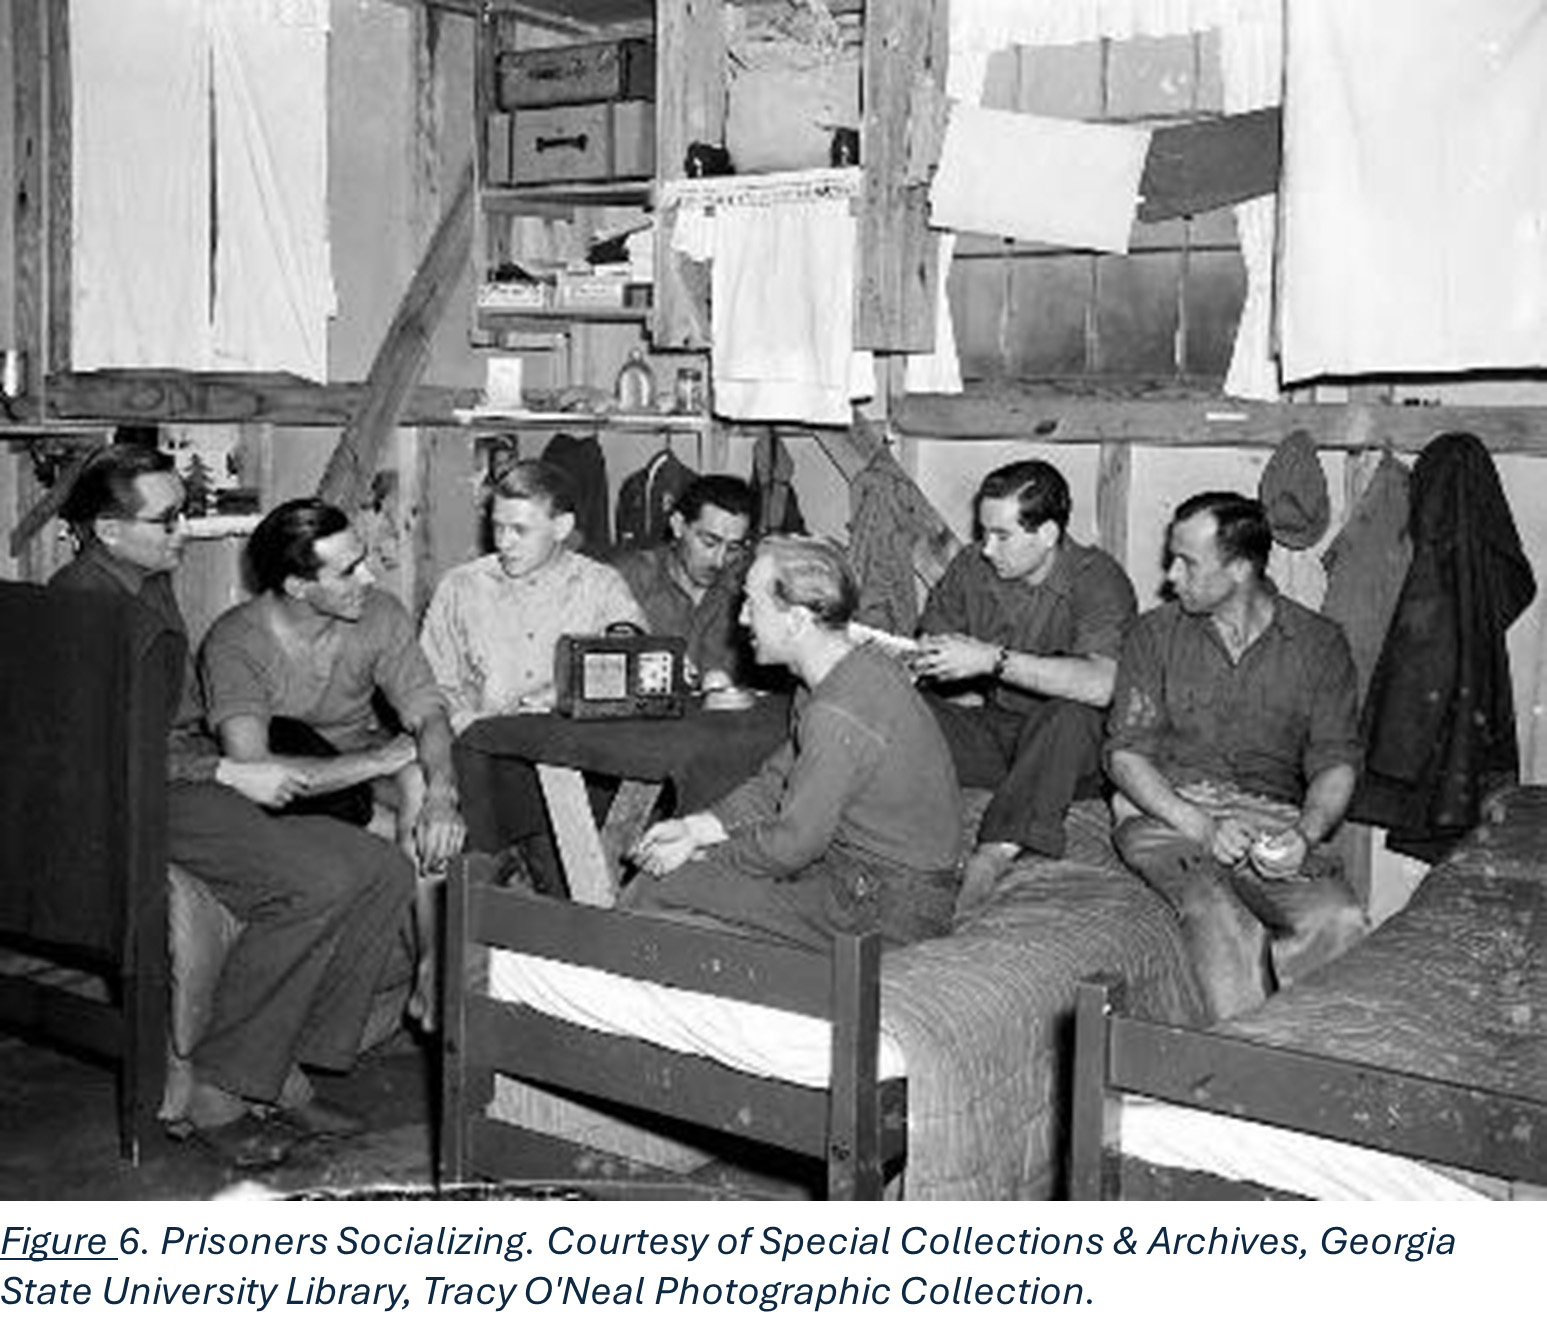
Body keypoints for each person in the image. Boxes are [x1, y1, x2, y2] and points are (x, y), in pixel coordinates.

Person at [51, 446, 412, 1170]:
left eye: (181, 512)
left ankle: (278, 1064)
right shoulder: (87, 605)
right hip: (135, 793)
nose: (182, 531)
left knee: (379, 867)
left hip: (175, 773)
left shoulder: (144, 580)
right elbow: (101, 751)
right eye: (166, 519)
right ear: (109, 529)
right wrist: (224, 769)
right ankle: (219, 1087)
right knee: (313, 883)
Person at [199, 498, 466, 1031]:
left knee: (421, 783)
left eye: (362, 559)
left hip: (353, 771)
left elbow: (429, 715)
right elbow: (254, 769)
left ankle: (434, 967)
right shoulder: (235, 640)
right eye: (347, 571)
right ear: (299, 587)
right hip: (284, 786)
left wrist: (442, 795)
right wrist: (380, 760)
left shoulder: (379, 613)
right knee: (395, 810)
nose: (368, 576)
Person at [625, 536, 963, 953]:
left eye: (753, 603)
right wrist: (694, 829)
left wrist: (703, 857)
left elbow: (792, 844)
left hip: (887, 905)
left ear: (797, 620)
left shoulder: (836, 710)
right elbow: (777, 782)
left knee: (662, 886)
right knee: (675, 886)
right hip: (865, 879)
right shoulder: (845, 670)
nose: (743, 618)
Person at [1105, 491, 1368, 1023]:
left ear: (1241, 569)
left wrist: (1306, 833)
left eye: (1188, 562)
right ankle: (1242, 1074)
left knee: (1338, 919)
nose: (1171, 577)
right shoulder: (1153, 636)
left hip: (1271, 820)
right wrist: (1202, 827)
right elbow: (1126, 755)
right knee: (1218, 910)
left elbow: (1336, 760)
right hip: (1169, 814)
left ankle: (1309, 1067)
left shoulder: (1318, 645)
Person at [914, 460, 1137, 906]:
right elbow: (929, 640)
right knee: (896, 704)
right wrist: (911, 660)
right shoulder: (972, 567)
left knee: (1070, 714)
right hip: (999, 734)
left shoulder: (1098, 579)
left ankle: (991, 855)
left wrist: (989, 660)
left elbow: (1103, 685)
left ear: (1049, 535)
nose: (986, 549)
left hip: (1069, 751)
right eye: (983, 532)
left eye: (1002, 536)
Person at [419, 458, 645, 731]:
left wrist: (562, 692)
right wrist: (478, 726)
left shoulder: (602, 587)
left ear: (561, 527)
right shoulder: (460, 587)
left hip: (572, 752)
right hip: (480, 748)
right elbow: (430, 689)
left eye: (519, 530)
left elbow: (636, 670)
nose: (503, 542)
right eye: (498, 527)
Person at [613, 473, 756, 688]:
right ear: (678, 525)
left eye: (733, 548)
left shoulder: (748, 590)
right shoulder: (628, 579)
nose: (719, 560)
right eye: (709, 542)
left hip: (724, 719)